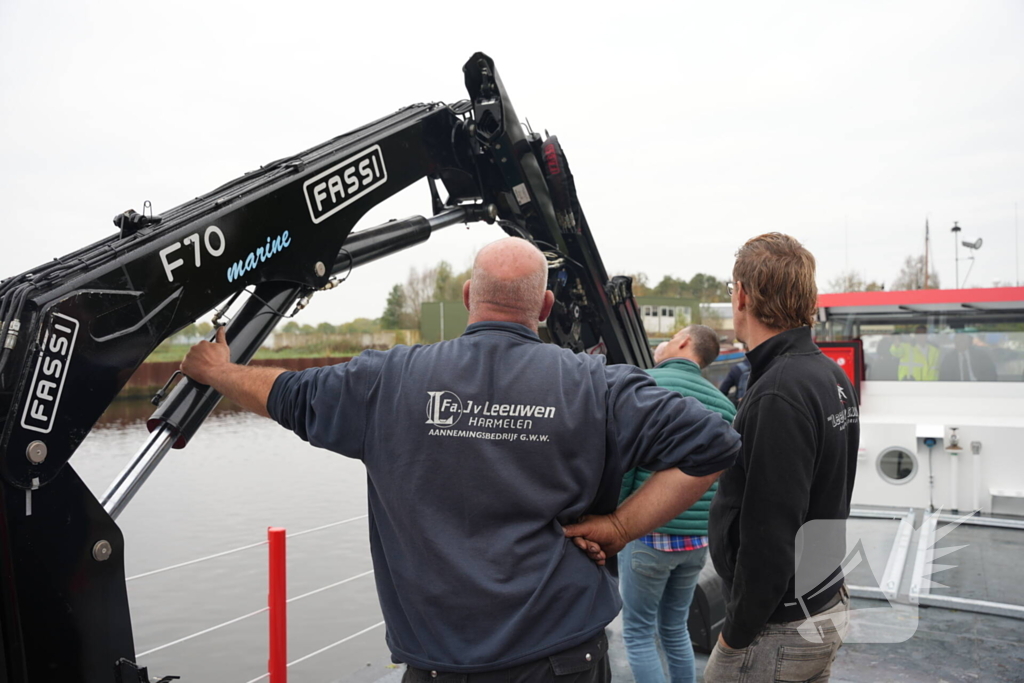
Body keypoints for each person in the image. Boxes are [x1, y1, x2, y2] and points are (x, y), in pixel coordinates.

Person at [181, 237, 741, 682]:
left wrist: (218, 371)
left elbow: (288, 396)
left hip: (438, 662)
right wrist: (621, 526)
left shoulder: (387, 380)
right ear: (545, 307)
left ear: (470, 298)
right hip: (562, 655)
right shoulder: (596, 386)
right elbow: (714, 444)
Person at [705, 233, 858, 682]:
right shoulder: (828, 375)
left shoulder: (777, 391)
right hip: (822, 602)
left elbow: (770, 537)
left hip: (777, 628)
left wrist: (734, 636)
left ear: (744, 296)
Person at [618, 324, 737, 683]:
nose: (663, 343)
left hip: (649, 537)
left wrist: (617, 520)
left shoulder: (644, 384)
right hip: (696, 544)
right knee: (674, 628)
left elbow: (624, 463)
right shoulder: (724, 403)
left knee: (638, 633)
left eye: (670, 338)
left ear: (684, 342)